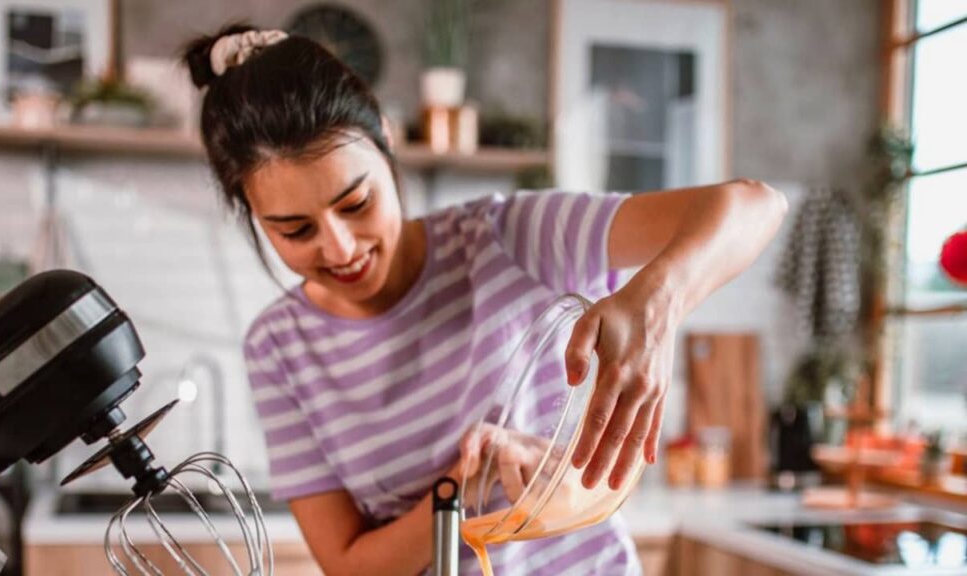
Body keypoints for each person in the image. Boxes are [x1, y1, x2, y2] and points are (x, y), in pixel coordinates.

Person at [183, 24, 787, 576]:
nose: (340, 248)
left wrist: (656, 302)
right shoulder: (279, 347)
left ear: (386, 139)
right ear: (251, 213)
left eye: (356, 204)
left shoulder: (508, 237)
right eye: (295, 230)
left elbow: (755, 206)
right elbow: (350, 566)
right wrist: (461, 480)